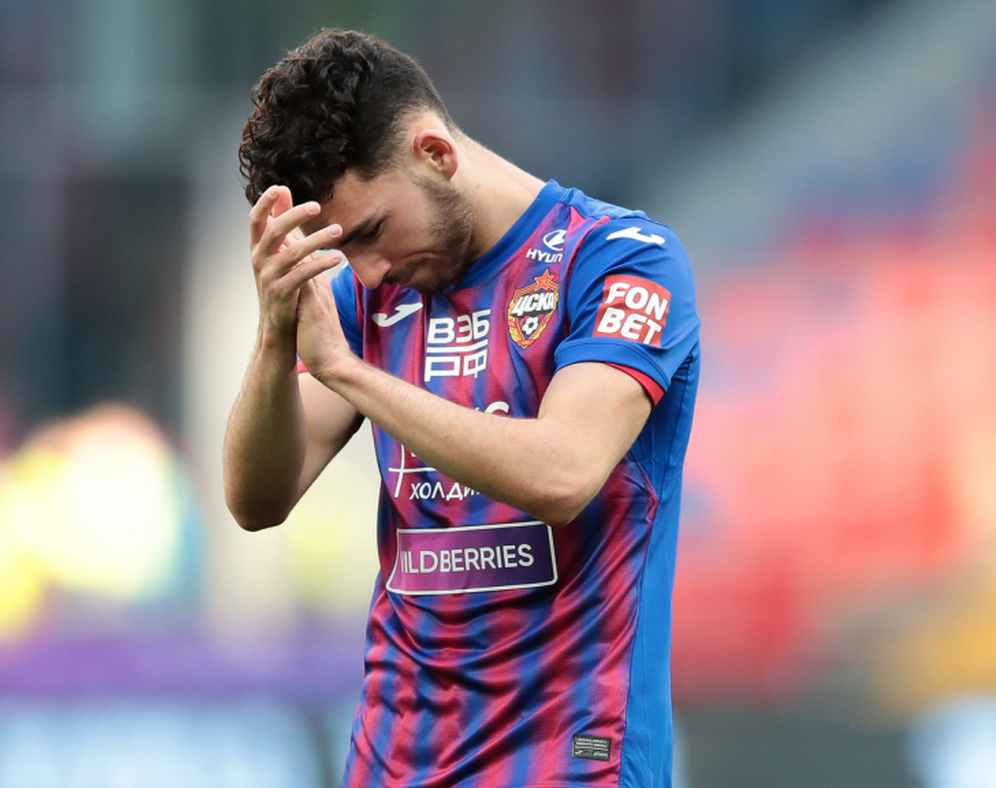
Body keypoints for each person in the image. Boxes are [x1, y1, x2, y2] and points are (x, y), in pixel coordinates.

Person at [223, 28, 700, 788]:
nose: (368, 272)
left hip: (573, 756)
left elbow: (563, 473)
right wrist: (275, 338)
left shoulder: (620, 261)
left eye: (372, 232)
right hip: (394, 758)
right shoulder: (368, 298)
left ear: (435, 154)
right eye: (343, 252)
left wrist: (345, 370)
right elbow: (255, 500)